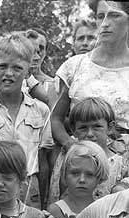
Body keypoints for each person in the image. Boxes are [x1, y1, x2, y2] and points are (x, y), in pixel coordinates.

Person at [0, 33, 53, 210]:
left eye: (17, 68)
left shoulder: (41, 110)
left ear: (28, 72)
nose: (9, 73)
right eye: (2, 66)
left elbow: (44, 161)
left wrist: (44, 201)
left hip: (30, 191)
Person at [51, 1, 129, 153]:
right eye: (100, 16)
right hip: (82, 164)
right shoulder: (73, 67)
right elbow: (56, 120)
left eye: (114, 15)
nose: (105, 23)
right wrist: (71, 146)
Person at [48, 97, 129, 204]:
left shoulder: (120, 165)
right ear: (74, 130)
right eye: (83, 128)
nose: (90, 134)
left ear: (109, 128)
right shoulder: (68, 160)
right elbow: (57, 195)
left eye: (97, 127)